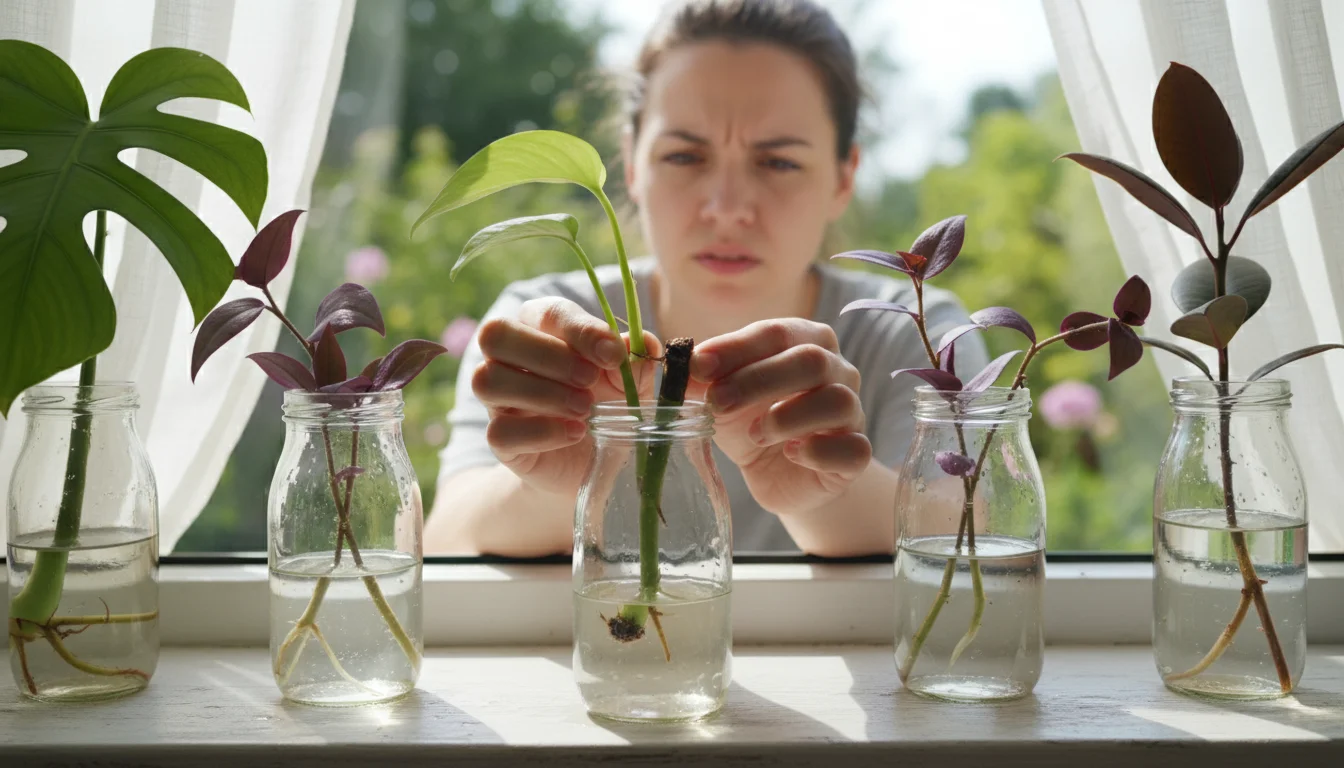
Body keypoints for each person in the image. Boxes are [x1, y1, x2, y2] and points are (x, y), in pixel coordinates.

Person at [425, 0, 985, 556]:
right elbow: (447, 538)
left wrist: (818, 490)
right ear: (631, 165)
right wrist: (560, 481)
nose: (726, 208)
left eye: (779, 162)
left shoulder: (910, 331)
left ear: (844, 178)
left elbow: (975, 529)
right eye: (685, 157)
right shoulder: (554, 331)